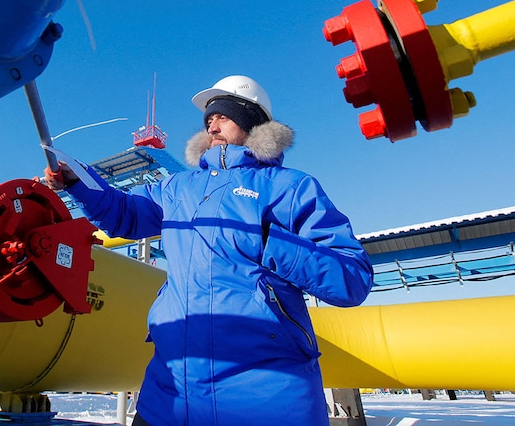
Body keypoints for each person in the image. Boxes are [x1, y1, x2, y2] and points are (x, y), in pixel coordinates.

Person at [45, 75, 373, 426]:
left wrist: (265, 240)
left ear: (252, 123)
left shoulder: (289, 187)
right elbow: (125, 214)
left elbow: (351, 279)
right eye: (208, 119)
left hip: (267, 399)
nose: (212, 124)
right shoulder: (177, 188)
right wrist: (79, 182)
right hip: (170, 396)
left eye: (224, 116)